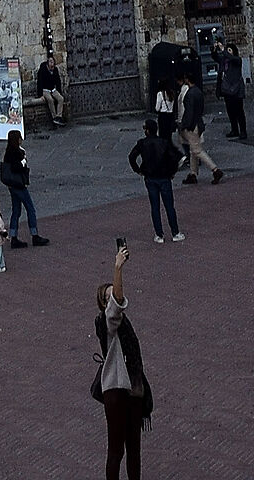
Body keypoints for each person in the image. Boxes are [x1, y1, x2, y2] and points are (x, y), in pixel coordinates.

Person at [92, 246, 150, 480]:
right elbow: (117, 303)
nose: (115, 297)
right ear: (103, 305)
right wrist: (118, 267)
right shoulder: (108, 322)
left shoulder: (120, 323)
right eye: (109, 297)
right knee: (116, 451)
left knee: (134, 449)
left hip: (133, 390)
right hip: (116, 391)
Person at [128, 118, 183, 244]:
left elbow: (131, 157)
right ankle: (175, 232)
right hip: (164, 177)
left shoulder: (142, 143)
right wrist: (171, 173)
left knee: (155, 207)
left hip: (150, 178)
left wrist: (138, 170)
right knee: (169, 206)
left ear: (147, 130)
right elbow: (175, 159)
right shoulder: (163, 142)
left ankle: (159, 234)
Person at [0, 130, 49, 246]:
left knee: (16, 210)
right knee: (30, 208)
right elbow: (17, 167)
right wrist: (23, 161)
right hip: (19, 185)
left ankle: (13, 236)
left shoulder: (8, 152)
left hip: (12, 185)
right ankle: (34, 235)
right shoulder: (16, 152)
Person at [178, 77, 222, 187]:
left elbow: (189, 112)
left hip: (192, 125)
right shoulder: (198, 92)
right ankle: (193, 173)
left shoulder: (190, 94)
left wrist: (185, 125)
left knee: (197, 150)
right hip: (198, 122)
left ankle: (215, 169)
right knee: (193, 150)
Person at [218, 42, 247, 140]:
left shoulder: (237, 60)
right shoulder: (224, 61)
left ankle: (243, 131)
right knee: (230, 111)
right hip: (227, 89)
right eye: (227, 50)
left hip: (237, 89)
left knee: (239, 111)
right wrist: (214, 50)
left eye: (230, 50)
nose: (228, 52)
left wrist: (224, 51)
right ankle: (234, 129)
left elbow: (232, 58)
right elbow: (215, 57)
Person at [36, 52, 67, 126]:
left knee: (61, 99)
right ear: (48, 63)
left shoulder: (55, 70)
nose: (52, 63)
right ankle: (54, 117)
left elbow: (58, 81)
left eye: (53, 62)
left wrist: (59, 92)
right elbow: (39, 82)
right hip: (45, 90)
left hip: (52, 89)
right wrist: (40, 95)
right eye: (50, 62)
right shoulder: (43, 70)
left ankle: (59, 116)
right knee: (50, 100)